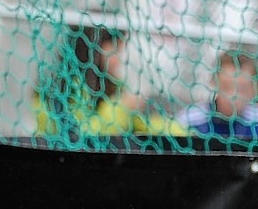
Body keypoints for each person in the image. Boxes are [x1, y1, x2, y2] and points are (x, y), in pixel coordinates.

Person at [35, 24, 187, 139]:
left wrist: (180, 132)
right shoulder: (59, 90)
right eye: (114, 49)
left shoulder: (113, 85)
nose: (118, 58)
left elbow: (144, 123)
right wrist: (122, 107)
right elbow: (80, 137)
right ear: (94, 48)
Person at [178, 50, 258, 145]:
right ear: (214, 83)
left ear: (254, 89)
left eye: (242, 89)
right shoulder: (188, 120)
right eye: (226, 87)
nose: (233, 96)